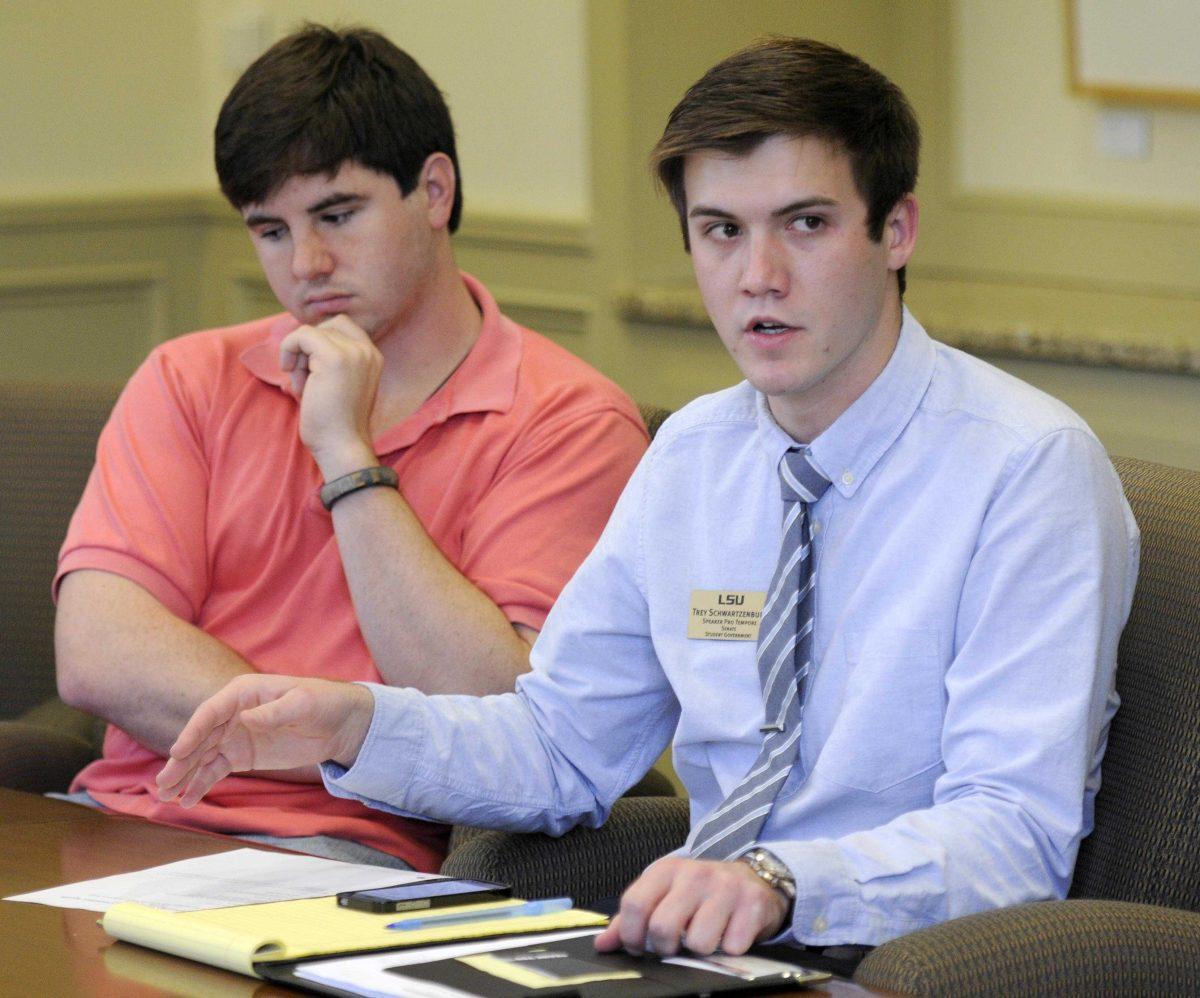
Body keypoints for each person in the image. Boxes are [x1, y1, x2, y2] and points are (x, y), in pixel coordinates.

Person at [156, 36, 1139, 961]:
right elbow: (560, 743)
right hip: (708, 954)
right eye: (720, 231)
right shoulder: (695, 456)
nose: (758, 276)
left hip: (906, 959)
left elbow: (1015, 834)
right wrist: (352, 723)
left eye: (806, 223)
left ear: (896, 229)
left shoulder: (1027, 468)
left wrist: (781, 879)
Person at [53, 24, 647, 872]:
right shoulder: (190, 376)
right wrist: (334, 734)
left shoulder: (574, 421)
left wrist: (347, 456)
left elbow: (502, 718)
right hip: (121, 822)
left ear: (434, 190)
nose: (307, 263)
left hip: (358, 855)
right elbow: (97, 654)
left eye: (338, 214)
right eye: (270, 230)